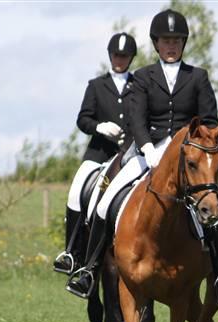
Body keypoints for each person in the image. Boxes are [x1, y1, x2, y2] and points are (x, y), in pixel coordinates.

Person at [67, 8, 218, 307]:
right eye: (164, 40)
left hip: (189, 155)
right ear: (156, 43)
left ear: (183, 43)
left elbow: (209, 120)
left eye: (176, 40)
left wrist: (210, 144)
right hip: (147, 151)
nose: (170, 45)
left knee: (213, 209)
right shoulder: (144, 76)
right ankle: (88, 269)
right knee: (105, 200)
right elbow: (136, 118)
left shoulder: (198, 77)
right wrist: (146, 147)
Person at [53, 32, 137, 275]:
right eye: (116, 55)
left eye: (124, 55)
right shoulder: (96, 86)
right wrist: (99, 127)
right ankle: (72, 252)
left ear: (131, 57)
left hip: (128, 153)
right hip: (99, 152)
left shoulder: (138, 85)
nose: (120, 59)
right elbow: (83, 119)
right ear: (110, 56)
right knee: (75, 190)